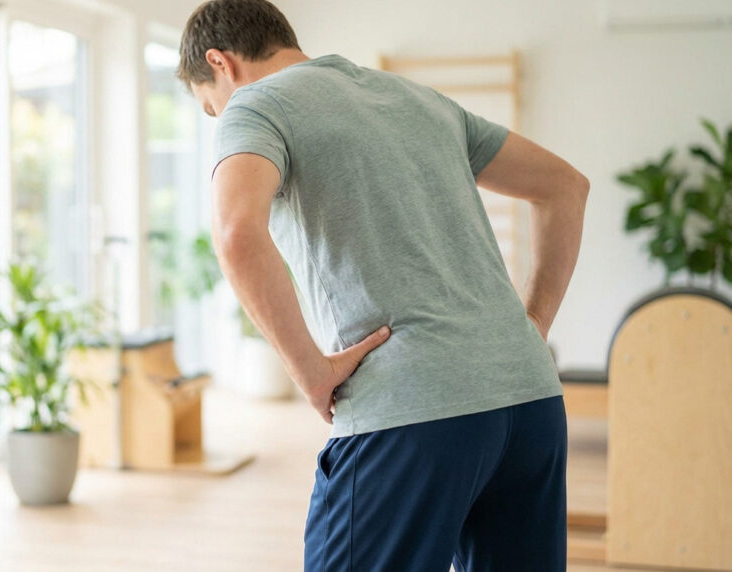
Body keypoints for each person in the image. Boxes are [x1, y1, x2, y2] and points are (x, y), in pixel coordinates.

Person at [176, 0, 589, 570]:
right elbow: (565, 187)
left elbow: (235, 234)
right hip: (531, 401)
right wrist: (531, 327)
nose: (220, 116)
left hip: (412, 412)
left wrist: (309, 371)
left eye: (209, 108)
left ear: (220, 63)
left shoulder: (254, 105)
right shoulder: (416, 98)